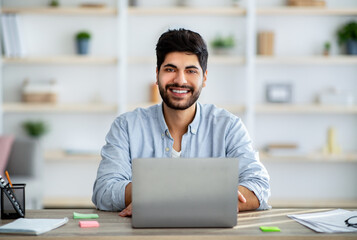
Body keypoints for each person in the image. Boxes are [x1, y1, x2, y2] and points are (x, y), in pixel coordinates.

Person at [92, 28, 270, 217]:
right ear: (157, 74)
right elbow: (104, 191)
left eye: (191, 71)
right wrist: (204, 196)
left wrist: (163, 197)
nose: (180, 80)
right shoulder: (126, 126)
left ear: (205, 77)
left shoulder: (228, 127)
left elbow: (259, 187)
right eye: (170, 69)